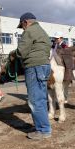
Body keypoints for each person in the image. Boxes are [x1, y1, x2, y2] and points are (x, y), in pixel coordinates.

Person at [16, 12, 52, 140]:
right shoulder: (42, 31)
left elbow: (21, 51)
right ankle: (42, 126)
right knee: (41, 99)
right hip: (44, 66)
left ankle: (43, 130)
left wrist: (15, 54)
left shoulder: (29, 31)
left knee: (35, 101)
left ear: (25, 22)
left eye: (22, 26)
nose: (23, 29)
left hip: (34, 67)